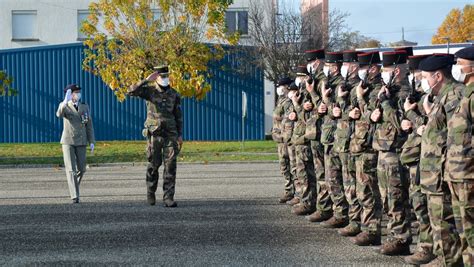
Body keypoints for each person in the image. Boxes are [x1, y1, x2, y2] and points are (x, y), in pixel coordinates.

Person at [418, 54, 464, 265]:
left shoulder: (454, 96)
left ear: (437, 76)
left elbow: (455, 136)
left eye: (425, 76)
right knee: (437, 217)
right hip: (433, 170)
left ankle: (449, 260)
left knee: (444, 219)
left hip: (444, 170)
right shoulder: (440, 97)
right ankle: (443, 257)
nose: (423, 81)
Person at [371, 51, 412, 255]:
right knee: (387, 196)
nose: (382, 74)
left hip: (396, 151)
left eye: (385, 71)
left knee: (396, 197)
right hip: (383, 149)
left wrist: (386, 104)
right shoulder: (389, 90)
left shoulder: (405, 92)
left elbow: (399, 124)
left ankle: (401, 238)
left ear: (396, 70)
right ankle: (393, 235)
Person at [128, 65, 183, 207]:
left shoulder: (174, 94)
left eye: (167, 76)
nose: (165, 79)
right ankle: (150, 192)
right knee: (154, 164)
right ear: (156, 77)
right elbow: (131, 91)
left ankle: (168, 197)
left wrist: (180, 135)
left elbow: (178, 115)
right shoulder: (150, 91)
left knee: (171, 165)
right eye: (162, 76)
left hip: (170, 133)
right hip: (154, 133)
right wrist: (146, 80)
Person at [400, 54, 436, 264]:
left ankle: (430, 249)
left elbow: (428, 127)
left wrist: (411, 117)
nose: (419, 79)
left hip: (430, 159)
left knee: (427, 207)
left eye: (422, 75)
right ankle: (426, 247)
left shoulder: (434, 97)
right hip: (417, 157)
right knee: (419, 205)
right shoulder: (418, 95)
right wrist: (408, 122)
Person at [349, 51, 384, 246]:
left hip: (370, 146)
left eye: (362, 68)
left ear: (372, 68)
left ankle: (372, 230)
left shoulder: (377, 89)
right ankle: (366, 227)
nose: (359, 72)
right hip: (359, 144)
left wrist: (361, 101)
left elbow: (373, 116)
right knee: (362, 190)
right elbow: (356, 113)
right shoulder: (364, 87)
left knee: (369, 190)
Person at [446, 46, 474, 266]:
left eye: (459, 63)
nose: (456, 68)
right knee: (463, 229)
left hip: (468, 174)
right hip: (456, 172)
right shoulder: (464, 93)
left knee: (471, 229)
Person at [334, 50, 362, 236]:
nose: (342, 68)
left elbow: (358, 115)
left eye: (345, 64)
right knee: (346, 183)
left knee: (356, 186)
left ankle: (357, 222)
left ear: (353, 66)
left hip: (356, 143)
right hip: (344, 141)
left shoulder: (360, 87)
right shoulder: (344, 87)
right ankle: (351, 219)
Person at [56, 84, 95, 204]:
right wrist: (64, 101)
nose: (78, 94)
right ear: (70, 94)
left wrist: (92, 141)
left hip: (81, 141)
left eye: (78, 92)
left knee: (82, 169)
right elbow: (59, 114)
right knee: (71, 169)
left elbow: (89, 125)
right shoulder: (64, 106)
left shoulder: (84, 106)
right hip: (68, 141)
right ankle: (75, 195)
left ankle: (73, 186)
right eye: (75, 92)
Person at [288, 65, 317, 216]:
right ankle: (304, 200)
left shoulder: (309, 95)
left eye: (302, 77)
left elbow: (308, 120)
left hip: (305, 139)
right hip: (298, 139)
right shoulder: (301, 94)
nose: (299, 80)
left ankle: (308, 202)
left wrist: (297, 107)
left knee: (306, 173)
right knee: (301, 172)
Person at [272, 77, 296, 204]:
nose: (279, 89)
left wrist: (286, 137)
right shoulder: (281, 100)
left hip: (287, 139)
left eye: (281, 86)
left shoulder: (289, 101)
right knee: (284, 166)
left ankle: (294, 192)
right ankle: (288, 190)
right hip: (280, 139)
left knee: (292, 166)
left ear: (287, 86)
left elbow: (289, 121)